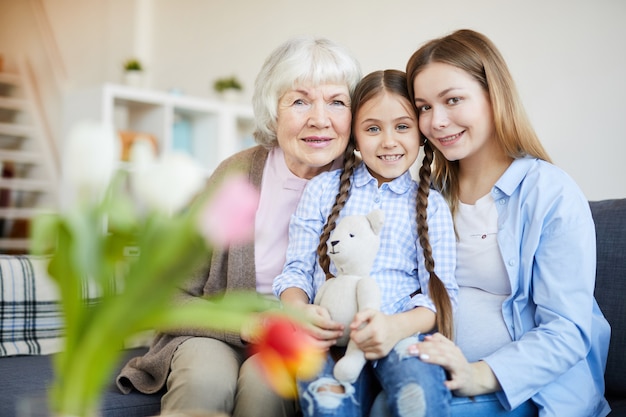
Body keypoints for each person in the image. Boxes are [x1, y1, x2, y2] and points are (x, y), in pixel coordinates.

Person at [115, 35, 362, 417]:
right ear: (272, 111)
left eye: (337, 102)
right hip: (217, 328)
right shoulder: (238, 175)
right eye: (299, 101)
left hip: (301, 342)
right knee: (205, 381)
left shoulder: (366, 185)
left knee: (264, 387)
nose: (319, 118)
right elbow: (170, 296)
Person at [371, 29, 611, 417]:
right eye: (424, 107)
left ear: (493, 95)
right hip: (433, 371)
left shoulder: (549, 192)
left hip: (525, 390)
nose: (437, 121)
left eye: (452, 100)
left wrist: (477, 374)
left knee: (389, 409)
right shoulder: (431, 195)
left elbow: (568, 332)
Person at [273, 69, 458, 417]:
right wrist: (299, 310)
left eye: (402, 127)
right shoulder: (322, 191)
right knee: (326, 403)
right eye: (373, 129)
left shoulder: (431, 206)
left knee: (419, 396)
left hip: (398, 331)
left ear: (421, 134)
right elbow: (295, 271)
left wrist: (395, 327)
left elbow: (441, 295)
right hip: (329, 339)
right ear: (355, 137)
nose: (388, 141)